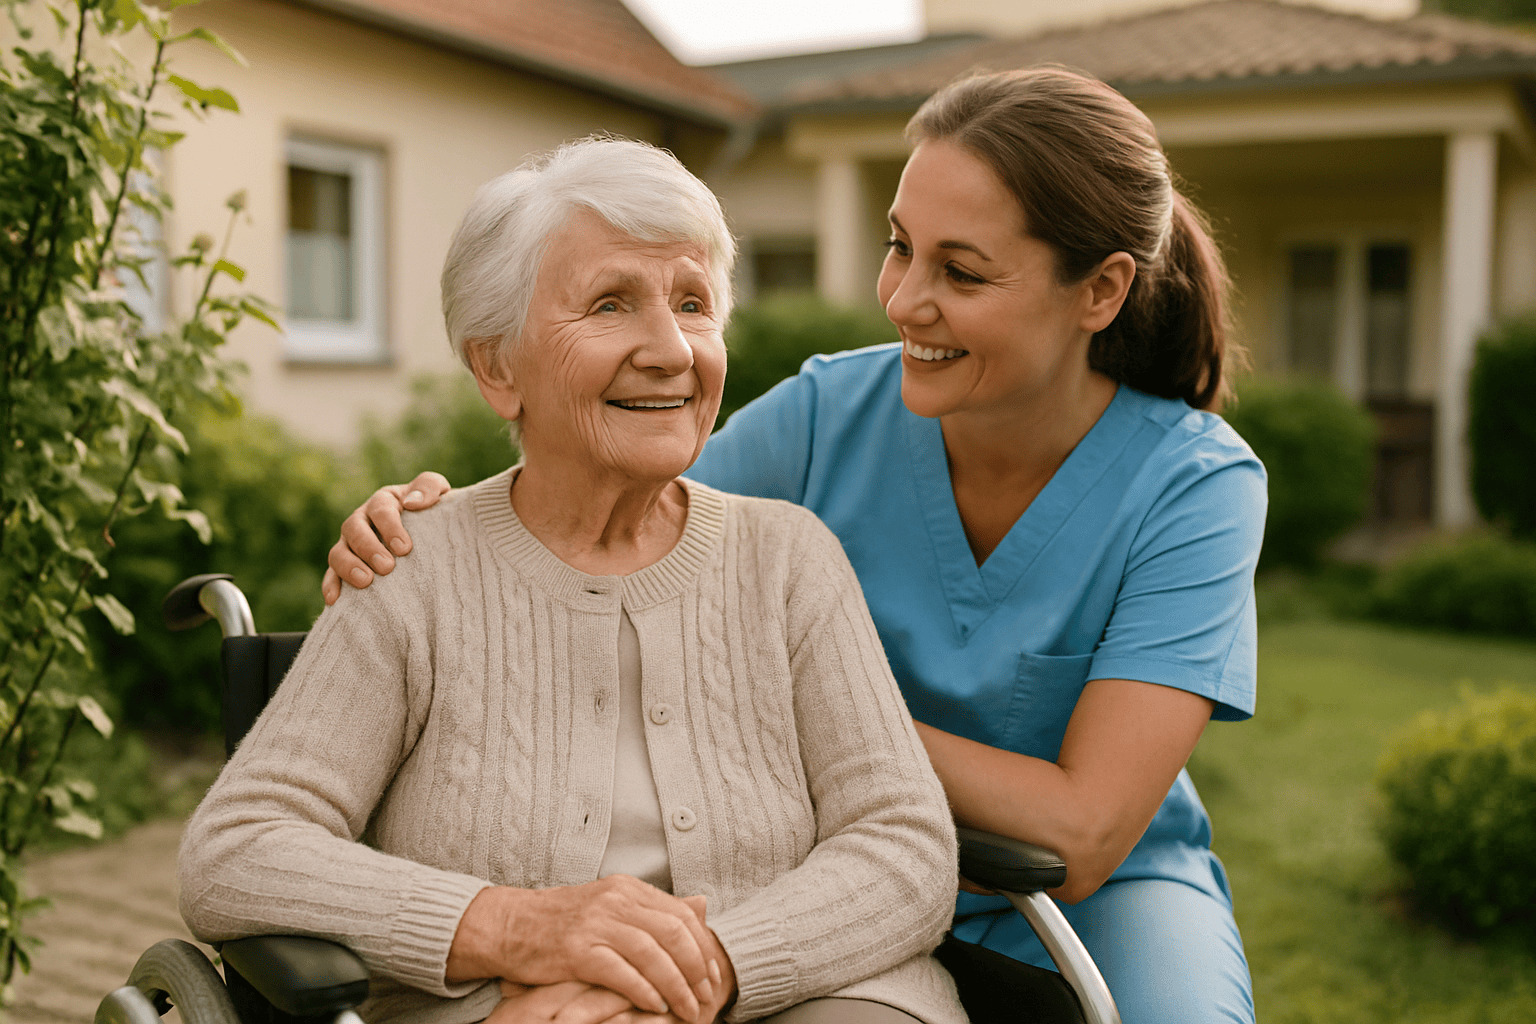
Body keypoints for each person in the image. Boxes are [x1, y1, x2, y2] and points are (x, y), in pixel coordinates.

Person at [327, 67, 1267, 1024]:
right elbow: (605, 524)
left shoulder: (1192, 487)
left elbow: (1086, 829)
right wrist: (433, 530)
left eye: (963, 272)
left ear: (1100, 290)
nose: (903, 300)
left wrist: (840, 728)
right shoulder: (828, 415)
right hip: (824, 861)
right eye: (900, 248)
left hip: (1090, 905)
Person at [178, 137, 969, 1024]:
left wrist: (705, 968)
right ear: (497, 366)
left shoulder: (790, 560)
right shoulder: (415, 568)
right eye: (610, 304)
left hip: (805, 999)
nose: (671, 350)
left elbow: (904, 846)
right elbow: (238, 850)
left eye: (694, 304)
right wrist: (516, 929)